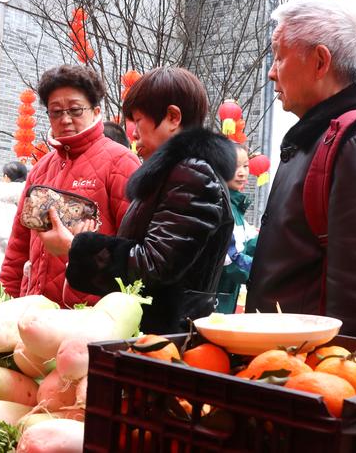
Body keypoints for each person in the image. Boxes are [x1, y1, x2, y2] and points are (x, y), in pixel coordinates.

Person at [245, 0, 356, 343]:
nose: (271, 72)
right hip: (280, 366)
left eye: (279, 57)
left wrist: (341, 386)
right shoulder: (316, 138)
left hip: (314, 381)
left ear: (320, 62)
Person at [65, 66, 236, 333]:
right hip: (159, 332)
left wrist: (79, 248)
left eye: (139, 120)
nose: (132, 133)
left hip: (171, 338)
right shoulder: (175, 174)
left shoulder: (192, 174)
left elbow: (153, 265)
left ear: (172, 117)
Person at [0, 65, 140, 307]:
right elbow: (18, 245)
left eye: (75, 110)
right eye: (55, 111)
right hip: (31, 309)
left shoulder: (121, 162)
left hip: (89, 314)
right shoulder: (41, 168)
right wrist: (3, 301)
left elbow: (134, 249)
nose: (65, 119)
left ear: (96, 111)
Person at [216, 144, 258, 314]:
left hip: (225, 296)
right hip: (215, 298)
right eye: (234, 166)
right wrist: (263, 271)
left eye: (245, 166)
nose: (242, 172)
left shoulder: (235, 208)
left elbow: (252, 243)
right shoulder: (221, 206)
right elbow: (231, 260)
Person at [0, 161, 28, 288]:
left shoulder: (2, 197)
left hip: (0, 266)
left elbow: (3, 233)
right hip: (19, 265)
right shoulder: (25, 196)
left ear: (6, 177)